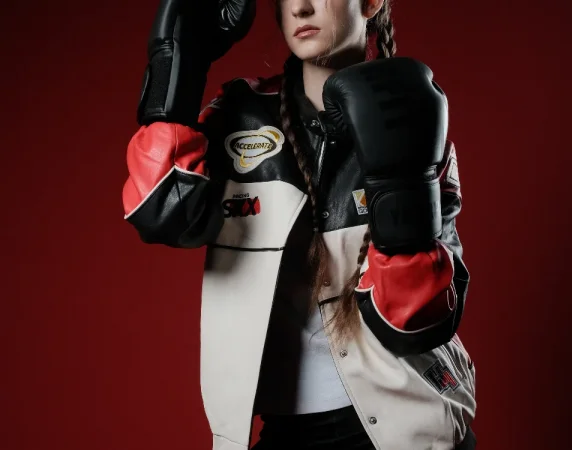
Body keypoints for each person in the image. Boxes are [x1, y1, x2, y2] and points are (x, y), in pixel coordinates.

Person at [122, 0, 477, 449]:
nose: (302, 8)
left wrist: (401, 184)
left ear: (370, 3)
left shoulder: (412, 115)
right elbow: (161, 212)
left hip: (409, 426)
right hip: (286, 428)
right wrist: (178, 65)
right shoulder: (239, 117)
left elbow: (420, 320)